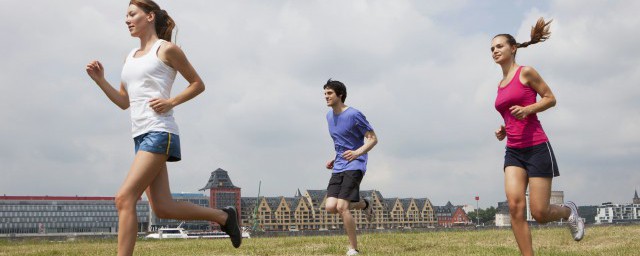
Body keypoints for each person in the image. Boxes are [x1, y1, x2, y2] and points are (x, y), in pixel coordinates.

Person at [85, 1, 241, 255]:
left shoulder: (166, 49)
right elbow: (124, 102)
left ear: (149, 16)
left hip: (160, 131)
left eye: (132, 14)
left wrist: (171, 101)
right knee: (163, 207)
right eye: (126, 15)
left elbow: (197, 84)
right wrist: (101, 81)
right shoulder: (129, 57)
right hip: (140, 134)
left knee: (124, 198)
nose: (127, 19)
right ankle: (225, 217)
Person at [492, 18, 584, 255]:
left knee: (540, 213)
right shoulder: (500, 84)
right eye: (492, 49)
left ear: (513, 48)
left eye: (499, 46)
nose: (494, 51)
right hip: (513, 150)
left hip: (536, 146)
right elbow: (511, 115)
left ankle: (568, 211)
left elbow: (550, 98)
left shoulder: (526, 72)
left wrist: (528, 110)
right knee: (514, 206)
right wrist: (504, 129)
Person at [323, 79, 377, 256]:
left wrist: (357, 153)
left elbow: (373, 139)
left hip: (355, 164)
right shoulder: (329, 116)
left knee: (342, 207)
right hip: (339, 165)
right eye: (325, 94)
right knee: (331, 206)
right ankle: (365, 203)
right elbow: (342, 143)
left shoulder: (354, 114)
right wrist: (334, 158)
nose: (326, 97)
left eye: (329, 93)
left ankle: (354, 249)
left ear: (340, 95)